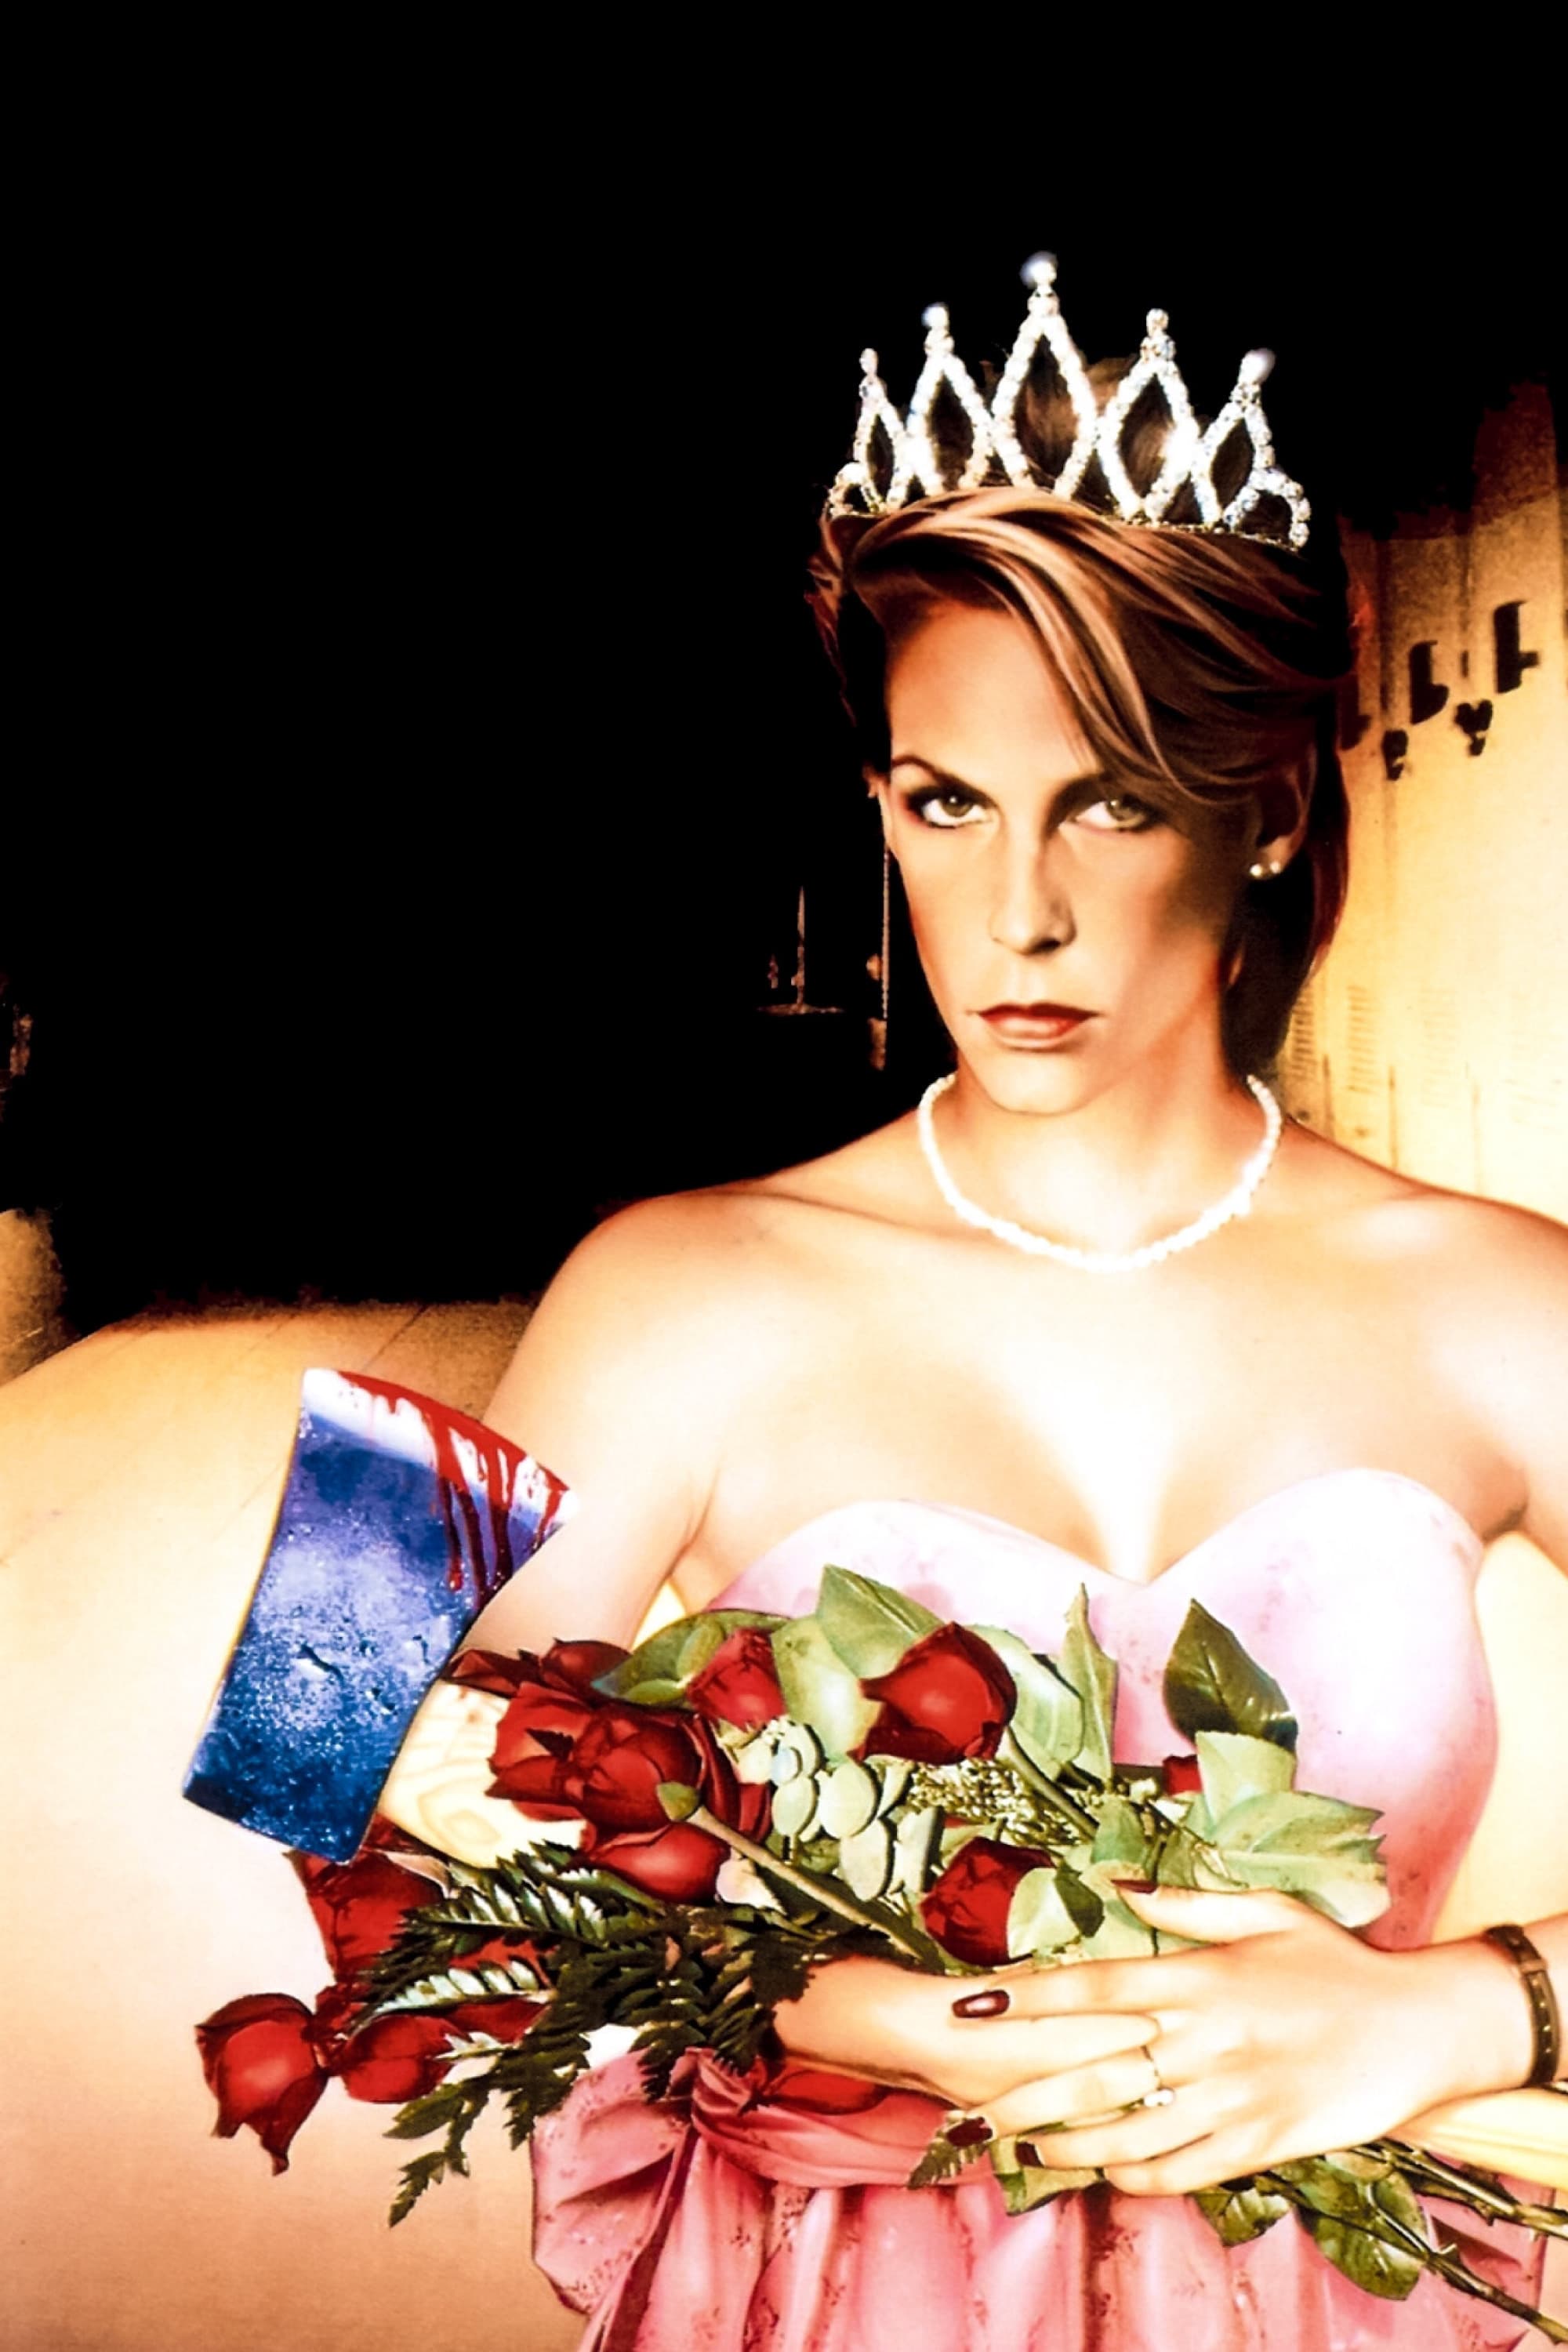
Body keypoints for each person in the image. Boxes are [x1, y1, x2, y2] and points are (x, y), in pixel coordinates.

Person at [445, 274, 1568, 2349]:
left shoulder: (1506, 1298)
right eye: (947, 800)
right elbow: (304, 1748)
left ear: (1272, 803)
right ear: (882, 801)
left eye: (1114, 799)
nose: (1021, 913)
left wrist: (1465, 2011)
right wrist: (855, 2003)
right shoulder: (668, 1276)